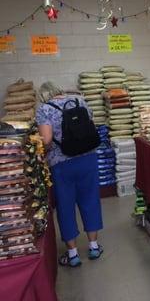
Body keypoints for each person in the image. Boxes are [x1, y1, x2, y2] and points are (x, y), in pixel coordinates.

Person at [36, 82, 104, 267]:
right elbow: (91, 126)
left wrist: (39, 147)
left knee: (66, 206)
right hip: (88, 159)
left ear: (43, 96)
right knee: (90, 201)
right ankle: (94, 246)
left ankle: (73, 255)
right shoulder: (80, 101)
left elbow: (47, 140)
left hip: (62, 164)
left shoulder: (44, 109)